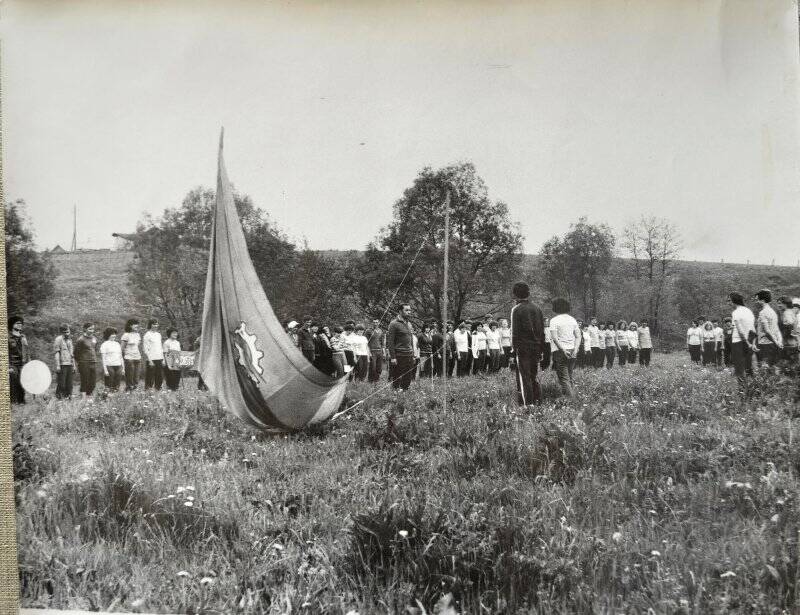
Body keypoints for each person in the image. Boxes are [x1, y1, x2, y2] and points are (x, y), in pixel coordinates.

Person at [510, 282, 545, 406]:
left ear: (515, 294)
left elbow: (514, 332)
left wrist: (513, 350)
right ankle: (538, 402)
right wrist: (542, 349)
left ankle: (528, 405)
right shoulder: (537, 308)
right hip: (536, 346)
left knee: (525, 377)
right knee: (534, 376)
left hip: (522, 347)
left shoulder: (516, 309)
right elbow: (542, 331)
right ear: (528, 293)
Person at [549, 297, 581, 398]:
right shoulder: (573, 320)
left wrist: (563, 350)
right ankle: (571, 398)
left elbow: (554, 338)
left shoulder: (554, 320)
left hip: (559, 351)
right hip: (572, 350)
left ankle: (571, 401)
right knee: (569, 376)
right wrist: (575, 349)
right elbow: (578, 336)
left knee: (563, 378)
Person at [729, 291, 756, 391]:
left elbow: (739, 330)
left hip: (738, 341)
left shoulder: (736, 312)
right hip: (749, 339)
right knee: (748, 367)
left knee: (739, 368)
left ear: (733, 301)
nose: (729, 303)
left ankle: (743, 392)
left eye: (729, 300)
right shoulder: (749, 311)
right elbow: (753, 329)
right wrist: (752, 342)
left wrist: (746, 342)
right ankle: (754, 389)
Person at [387, 304, 415, 390]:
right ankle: (395, 393)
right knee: (397, 376)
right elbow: (390, 342)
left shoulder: (409, 324)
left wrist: (413, 354)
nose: (409, 312)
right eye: (406, 310)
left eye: (410, 310)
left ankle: (405, 392)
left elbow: (411, 340)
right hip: (399, 355)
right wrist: (393, 357)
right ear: (400, 311)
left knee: (408, 376)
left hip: (409, 354)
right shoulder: (393, 324)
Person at [755, 289, 783, 368]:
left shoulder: (763, 312)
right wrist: (779, 341)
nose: (756, 302)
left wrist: (777, 342)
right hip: (773, 343)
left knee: (765, 368)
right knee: (772, 367)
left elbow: (767, 331)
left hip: (764, 344)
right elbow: (777, 329)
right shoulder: (773, 312)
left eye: (757, 300)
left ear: (763, 300)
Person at [74, 323, 98, 399]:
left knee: (93, 382)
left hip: (93, 361)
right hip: (84, 362)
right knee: (85, 380)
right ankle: (83, 398)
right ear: (85, 329)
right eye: (90, 329)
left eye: (93, 329)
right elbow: (76, 353)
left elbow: (94, 349)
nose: (92, 331)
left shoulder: (94, 338)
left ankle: (89, 395)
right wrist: (80, 361)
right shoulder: (80, 339)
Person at [8, 316, 29, 404]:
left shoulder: (23, 337)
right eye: (17, 323)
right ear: (12, 325)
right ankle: (13, 402)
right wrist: (8, 366)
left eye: (21, 323)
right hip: (12, 364)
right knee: (13, 383)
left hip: (22, 364)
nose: (20, 325)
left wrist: (29, 364)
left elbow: (27, 352)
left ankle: (21, 402)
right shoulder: (8, 338)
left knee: (22, 383)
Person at [53, 324, 76, 400]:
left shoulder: (70, 340)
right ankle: (59, 398)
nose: (67, 333)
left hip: (70, 364)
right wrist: (58, 365)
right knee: (62, 383)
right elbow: (57, 353)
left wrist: (74, 365)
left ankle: (68, 397)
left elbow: (72, 354)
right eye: (65, 332)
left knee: (69, 383)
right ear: (61, 332)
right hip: (62, 364)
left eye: (68, 332)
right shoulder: (58, 339)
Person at [120, 318, 142, 392]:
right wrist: (124, 358)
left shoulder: (138, 335)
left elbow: (137, 345)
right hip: (129, 358)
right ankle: (129, 390)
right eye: (134, 324)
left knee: (136, 376)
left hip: (137, 358)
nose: (137, 326)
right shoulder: (126, 335)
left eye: (137, 324)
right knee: (130, 376)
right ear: (130, 326)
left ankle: (135, 390)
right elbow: (122, 348)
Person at [100, 327, 125, 392]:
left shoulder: (117, 344)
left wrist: (123, 368)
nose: (114, 335)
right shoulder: (104, 345)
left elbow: (121, 356)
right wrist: (105, 370)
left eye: (115, 333)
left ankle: (115, 397)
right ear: (108, 334)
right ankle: (107, 396)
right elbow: (103, 358)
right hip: (109, 366)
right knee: (109, 384)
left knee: (117, 384)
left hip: (118, 366)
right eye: (112, 333)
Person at [142, 319, 164, 391]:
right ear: (150, 325)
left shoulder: (158, 335)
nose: (156, 326)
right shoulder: (147, 335)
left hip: (159, 357)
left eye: (157, 324)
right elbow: (145, 349)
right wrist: (150, 360)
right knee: (150, 376)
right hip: (151, 358)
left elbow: (160, 347)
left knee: (159, 376)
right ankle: (148, 390)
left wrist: (163, 359)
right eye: (154, 324)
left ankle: (158, 389)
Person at [777, 297, 797, 362]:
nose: (778, 305)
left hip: (787, 341)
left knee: (787, 361)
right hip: (792, 341)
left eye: (780, 303)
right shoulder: (791, 311)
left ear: (785, 304)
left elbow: (790, 324)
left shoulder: (786, 312)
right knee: (792, 361)